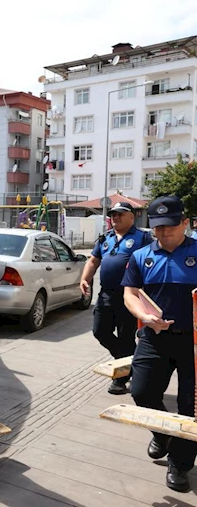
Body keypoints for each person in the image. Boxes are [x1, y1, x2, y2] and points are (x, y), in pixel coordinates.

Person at [122, 195, 197, 493]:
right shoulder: (142, 256)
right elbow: (129, 293)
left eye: (170, 226)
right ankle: (162, 432)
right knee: (141, 391)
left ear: (185, 223)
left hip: (193, 342)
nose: (164, 233)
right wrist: (143, 316)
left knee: (190, 405)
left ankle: (180, 464)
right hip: (154, 337)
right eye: (158, 227)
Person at [79, 201, 153, 394]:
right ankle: (128, 360)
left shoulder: (142, 238)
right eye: (113, 214)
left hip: (129, 295)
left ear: (132, 216)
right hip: (106, 294)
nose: (115, 217)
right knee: (99, 331)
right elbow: (94, 261)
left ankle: (120, 379)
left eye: (120, 214)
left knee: (126, 336)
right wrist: (84, 278)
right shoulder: (106, 238)